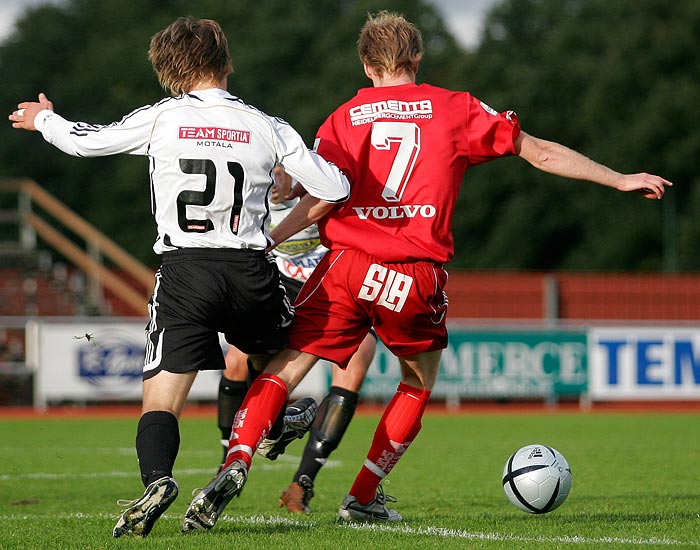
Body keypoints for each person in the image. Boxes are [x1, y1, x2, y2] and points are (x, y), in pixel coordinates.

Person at [181, 10, 672, 530]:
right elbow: (540, 153)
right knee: (416, 381)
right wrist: (618, 178)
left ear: (367, 66)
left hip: (344, 266)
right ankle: (362, 497)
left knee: (287, 365)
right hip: (412, 274)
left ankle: (236, 460)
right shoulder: (454, 108)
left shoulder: (343, 118)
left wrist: (267, 240)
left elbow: (321, 199)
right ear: (416, 59)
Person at [9, 16, 349, 538]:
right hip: (250, 269)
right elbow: (335, 186)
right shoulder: (266, 124)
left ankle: (158, 480)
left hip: (185, 271)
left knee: (162, 398)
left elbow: (86, 143)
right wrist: (286, 209)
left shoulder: (163, 118)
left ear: (168, 69)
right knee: (284, 356)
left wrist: (44, 120)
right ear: (227, 63)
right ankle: (277, 420)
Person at [215, 167, 376, 514]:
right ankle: (229, 457)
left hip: (334, 285)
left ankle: (302, 482)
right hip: (281, 285)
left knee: (356, 362)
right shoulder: (245, 194)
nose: (274, 183)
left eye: (279, 172)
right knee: (236, 360)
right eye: (268, 173)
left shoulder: (321, 184)